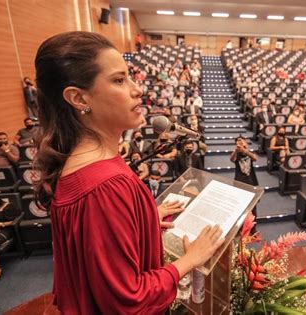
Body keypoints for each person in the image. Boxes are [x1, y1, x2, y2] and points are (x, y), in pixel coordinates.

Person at [33, 32, 223, 314]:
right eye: (119, 80)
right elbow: (128, 300)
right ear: (78, 98)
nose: (138, 90)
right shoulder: (106, 187)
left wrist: (143, 220)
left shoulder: (85, 165)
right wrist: (191, 259)